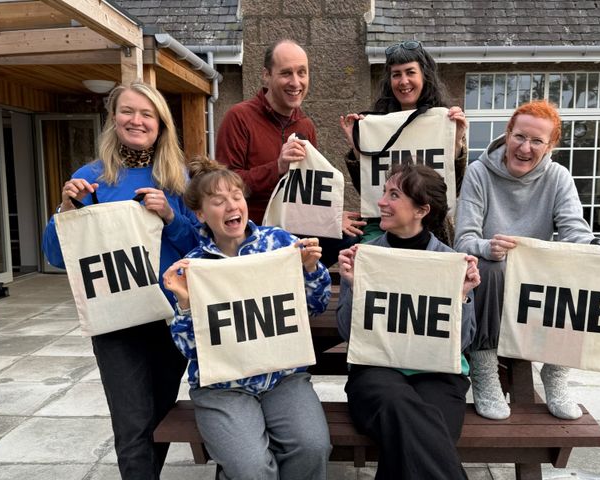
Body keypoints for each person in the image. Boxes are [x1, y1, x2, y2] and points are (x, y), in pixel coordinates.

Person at [42, 81, 201, 478]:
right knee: (131, 423)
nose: (137, 120)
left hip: (167, 315)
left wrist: (170, 216)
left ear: (161, 124)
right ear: (113, 118)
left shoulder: (176, 178)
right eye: (128, 111)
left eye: (147, 114)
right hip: (114, 319)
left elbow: (199, 248)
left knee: (159, 420)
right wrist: (65, 209)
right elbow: (58, 256)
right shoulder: (89, 177)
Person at [454, 99, 600, 421]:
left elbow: (573, 231)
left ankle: (556, 372)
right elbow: (464, 239)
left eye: (536, 141)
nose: (525, 148)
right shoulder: (478, 172)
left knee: (580, 264)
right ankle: (484, 370)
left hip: (536, 282)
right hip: (492, 279)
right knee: (489, 267)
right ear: (507, 134)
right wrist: (487, 246)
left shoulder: (558, 177)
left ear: (550, 145)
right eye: (519, 137)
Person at [162, 156, 332, 480]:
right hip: (223, 385)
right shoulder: (193, 267)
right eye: (218, 201)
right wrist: (184, 304)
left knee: (313, 448)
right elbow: (191, 350)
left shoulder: (279, 243)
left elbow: (316, 305)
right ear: (200, 214)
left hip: (282, 377)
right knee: (250, 467)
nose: (231, 205)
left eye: (236, 196)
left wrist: (310, 270)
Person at [336, 164, 480, 480]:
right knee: (409, 414)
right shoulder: (365, 255)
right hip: (376, 372)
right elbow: (350, 334)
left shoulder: (449, 262)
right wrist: (352, 284)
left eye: (394, 195)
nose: (381, 202)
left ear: (421, 210)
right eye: (385, 192)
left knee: (413, 434)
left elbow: (464, 341)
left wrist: (463, 297)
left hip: (438, 374)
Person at [216, 38, 364, 265]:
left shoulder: (305, 125)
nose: (296, 82)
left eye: (302, 73)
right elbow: (224, 187)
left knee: (356, 240)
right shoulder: (239, 117)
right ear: (266, 75)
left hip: (296, 231)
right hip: (254, 233)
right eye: (286, 73)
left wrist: (331, 219)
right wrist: (277, 168)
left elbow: (308, 191)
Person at [339, 39, 468, 244]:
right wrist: (357, 147)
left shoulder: (445, 121)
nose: (403, 81)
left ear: (424, 76)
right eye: (396, 74)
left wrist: (457, 143)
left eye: (410, 72)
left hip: (431, 224)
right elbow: (370, 189)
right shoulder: (377, 123)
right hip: (383, 222)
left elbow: (453, 186)